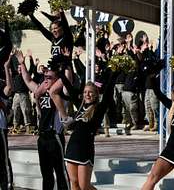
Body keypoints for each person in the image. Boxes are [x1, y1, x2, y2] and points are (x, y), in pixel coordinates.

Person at [16, 50, 70, 190]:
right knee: (46, 174)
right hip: (42, 137)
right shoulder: (41, 90)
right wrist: (22, 64)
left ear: (57, 79)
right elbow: (28, 80)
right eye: (45, 76)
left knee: (61, 172)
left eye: (50, 77)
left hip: (55, 136)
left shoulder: (60, 92)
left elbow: (68, 80)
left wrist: (67, 63)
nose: (46, 79)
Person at [60, 67, 118, 190]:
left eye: (90, 92)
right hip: (72, 147)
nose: (87, 94)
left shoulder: (98, 109)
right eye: (85, 92)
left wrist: (113, 76)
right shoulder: (80, 106)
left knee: (84, 186)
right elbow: (70, 89)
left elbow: (107, 95)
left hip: (85, 149)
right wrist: (61, 73)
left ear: (96, 95)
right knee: (74, 183)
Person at [29, 8, 74, 121]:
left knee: (54, 92)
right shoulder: (53, 39)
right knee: (37, 93)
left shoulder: (67, 38)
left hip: (64, 72)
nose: (53, 31)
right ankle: (40, 115)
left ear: (61, 29)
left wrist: (62, 13)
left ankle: (65, 117)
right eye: (52, 29)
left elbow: (67, 27)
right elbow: (41, 28)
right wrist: (31, 16)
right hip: (54, 72)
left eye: (56, 28)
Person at [0, 56, 14, 190]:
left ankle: (8, 186)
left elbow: (9, 88)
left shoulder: (1, 86)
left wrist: (6, 67)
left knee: (3, 159)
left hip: (0, 127)